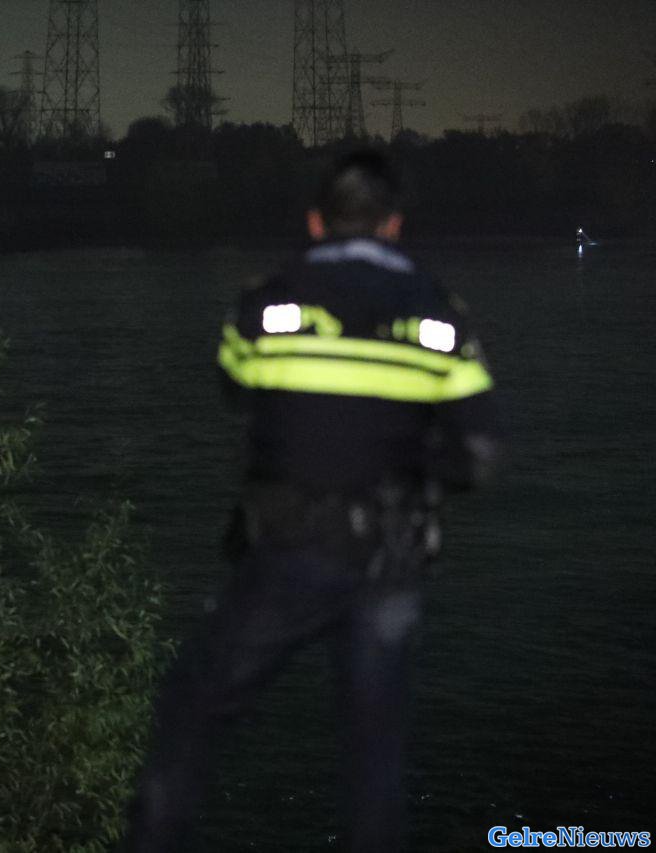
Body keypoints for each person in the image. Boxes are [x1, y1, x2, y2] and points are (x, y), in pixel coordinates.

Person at [121, 150, 503, 852]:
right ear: (393, 225)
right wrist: (412, 473)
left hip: (289, 546)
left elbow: (235, 385)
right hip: (391, 556)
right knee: (375, 755)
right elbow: (478, 455)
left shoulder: (266, 302)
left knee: (195, 705)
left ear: (316, 221)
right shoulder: (440, 312)